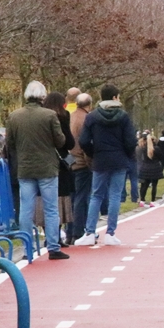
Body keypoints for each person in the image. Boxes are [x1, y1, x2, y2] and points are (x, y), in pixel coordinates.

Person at [6, 81, 69, 260]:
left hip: (25, 167)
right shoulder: (49, 115)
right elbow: (60, 141)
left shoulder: (14, 116)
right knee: (50, 208)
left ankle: (27, 248)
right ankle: (53, 247)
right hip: (47, 167)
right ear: (43, 96)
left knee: (26, 208)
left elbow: (10, 143)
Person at [75, 84, 137, 247]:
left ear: (101, 97)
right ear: (116, 97)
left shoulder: (92, 116)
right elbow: (131, 141)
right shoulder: (123, 116)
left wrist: (93, 153)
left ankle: (89, 232)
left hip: (100, 159)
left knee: (96, 195)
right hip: (119, 159)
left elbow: (83, 141)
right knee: (115, 195)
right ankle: (110, 233)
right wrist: (127, 154)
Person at [40, 92, 76, 245]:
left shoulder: (40, 116)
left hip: (42, 160)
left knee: (43, 199)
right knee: (60, 200)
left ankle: (48, 235)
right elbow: (68, 142)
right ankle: (56, 235)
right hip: (59, 162)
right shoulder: (63, 116)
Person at [69, 92, 93, 240]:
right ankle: (78, 231)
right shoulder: (86, 119)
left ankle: (70, 230)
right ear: (89, 105)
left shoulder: (71, 116)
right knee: (81, 198)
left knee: (71, 198)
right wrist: (90, 162)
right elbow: (85, 143)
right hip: (81, 163)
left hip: (69, 162)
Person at [137, 132, 164, 207]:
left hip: (145, 168)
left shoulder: (143, 148)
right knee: (154, 185)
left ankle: (142, 200)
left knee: (144, 185)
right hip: (155, 168)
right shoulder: (156, 149)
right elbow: (161, 157)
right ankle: (153, 201)